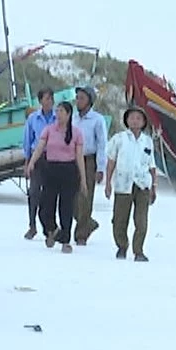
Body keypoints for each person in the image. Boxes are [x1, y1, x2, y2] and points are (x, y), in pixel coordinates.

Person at [25, 99, 84, 252]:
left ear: (69, 114)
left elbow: (79, 157)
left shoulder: (76, 133)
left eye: (61, 111)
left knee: (66, 207)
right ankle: (53, 231)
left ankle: (65, 240)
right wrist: (31, 162)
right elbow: (39, 148)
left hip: (69, 171)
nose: (58, 114)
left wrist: (83, 179)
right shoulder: (49, 130)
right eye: (57, 111)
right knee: (45, 207)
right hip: (51, 170)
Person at [104, 106, 160, 261]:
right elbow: (111, 161)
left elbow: (152, 166)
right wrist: (108, 182)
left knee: (141, 221)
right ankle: (122, 246)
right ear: (127, 120)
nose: (135, 121)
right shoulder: (119, 139)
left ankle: (138, 250)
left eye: (138, 118)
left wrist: (154, 187)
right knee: (119, 219)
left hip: (142, 184)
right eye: (132, 118)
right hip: (123, 183)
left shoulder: (147, 141)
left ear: (143, 122)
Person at [72, 87, 109, 245]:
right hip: (72, 159)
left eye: (82, 98)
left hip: (89, 160)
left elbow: (102, 144)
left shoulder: (97, 120)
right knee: (71, 198)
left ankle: (81, 234)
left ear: (89, 101)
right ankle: (89, 223)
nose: (78, 101)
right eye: (77, 97)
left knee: (85, 196)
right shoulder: (73, 118)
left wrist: (100, 168)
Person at [20, 88, 57, 240]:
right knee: (34, 191)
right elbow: (27, 141)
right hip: (37, 157)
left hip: (54, 158)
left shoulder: (58, 117)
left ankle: (49, 228)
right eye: (46, 99)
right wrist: (27, 162)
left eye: (51, 98)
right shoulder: (33, 119)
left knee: (50, 194)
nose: (49, 102)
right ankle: (32, 225)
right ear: (40, 101)